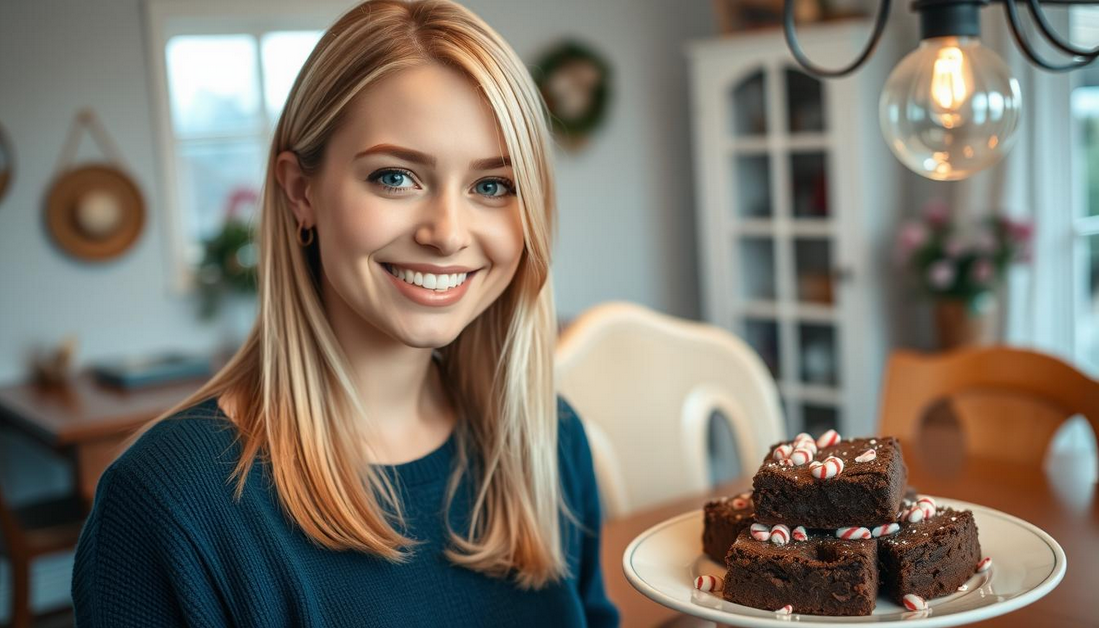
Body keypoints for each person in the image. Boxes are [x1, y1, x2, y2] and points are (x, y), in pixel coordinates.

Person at [70, 1, 620, 626]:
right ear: (301, 192)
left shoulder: (545, 438)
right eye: (394, 177)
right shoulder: (167, 502)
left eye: (492, 186)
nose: (446, 233)